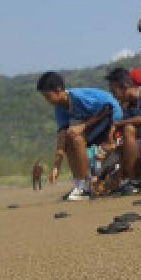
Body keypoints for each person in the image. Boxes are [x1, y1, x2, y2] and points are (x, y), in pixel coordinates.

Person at [36, 72, 123, 201]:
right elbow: (62, 135)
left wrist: (83, 126)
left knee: (75, 137)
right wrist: (56, 167)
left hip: (111, 119)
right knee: (69, 137)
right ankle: (80, 185)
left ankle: (86, 187)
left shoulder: (78, 97)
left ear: (59, 90)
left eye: (48, 96)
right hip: (96, 124)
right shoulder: (59, 106)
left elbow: (107, 108)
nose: (47, 101)